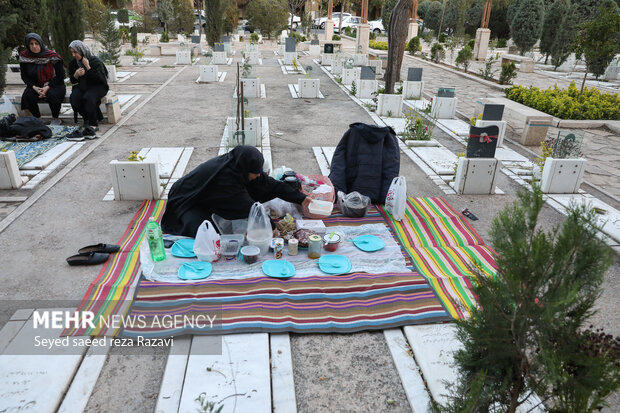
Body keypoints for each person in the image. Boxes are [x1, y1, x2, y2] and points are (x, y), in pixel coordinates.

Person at [162, 146, 312, 237]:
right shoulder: (226, 179)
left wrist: (301, 198)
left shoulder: (238, 165)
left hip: (212, 194)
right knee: (206, 231)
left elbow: (273, 185)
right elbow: (248, 206)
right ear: (246, 169)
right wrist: (270, 226)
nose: (259, 175)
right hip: (188, 200)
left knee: (258, 185)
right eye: (255, 172)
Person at [19, 33, 66, 125]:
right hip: (35, 85)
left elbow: (60, 75)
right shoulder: (25, 57)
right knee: (28, 95)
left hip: (53, 84)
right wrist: (35, 88)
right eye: (31, 44)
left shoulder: (52, 56)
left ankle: (55, 118)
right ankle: (37, 118)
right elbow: (24, 76)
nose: (34, 46)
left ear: (40, 43)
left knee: (53, 95)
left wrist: (47, 87)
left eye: (36, 43)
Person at [68, 40, 109, 131]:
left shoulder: (95, 61)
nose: (73, 55)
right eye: (72, 53)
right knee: (74, 98)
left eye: (75, 52)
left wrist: (88, 67)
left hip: (99, 86)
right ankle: (86, 117)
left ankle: (93, 123)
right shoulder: (74, 63)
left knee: (88, 97)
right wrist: (76, 75)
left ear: (82, 50)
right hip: (83, 86)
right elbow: (72, 80)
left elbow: (100, 79)